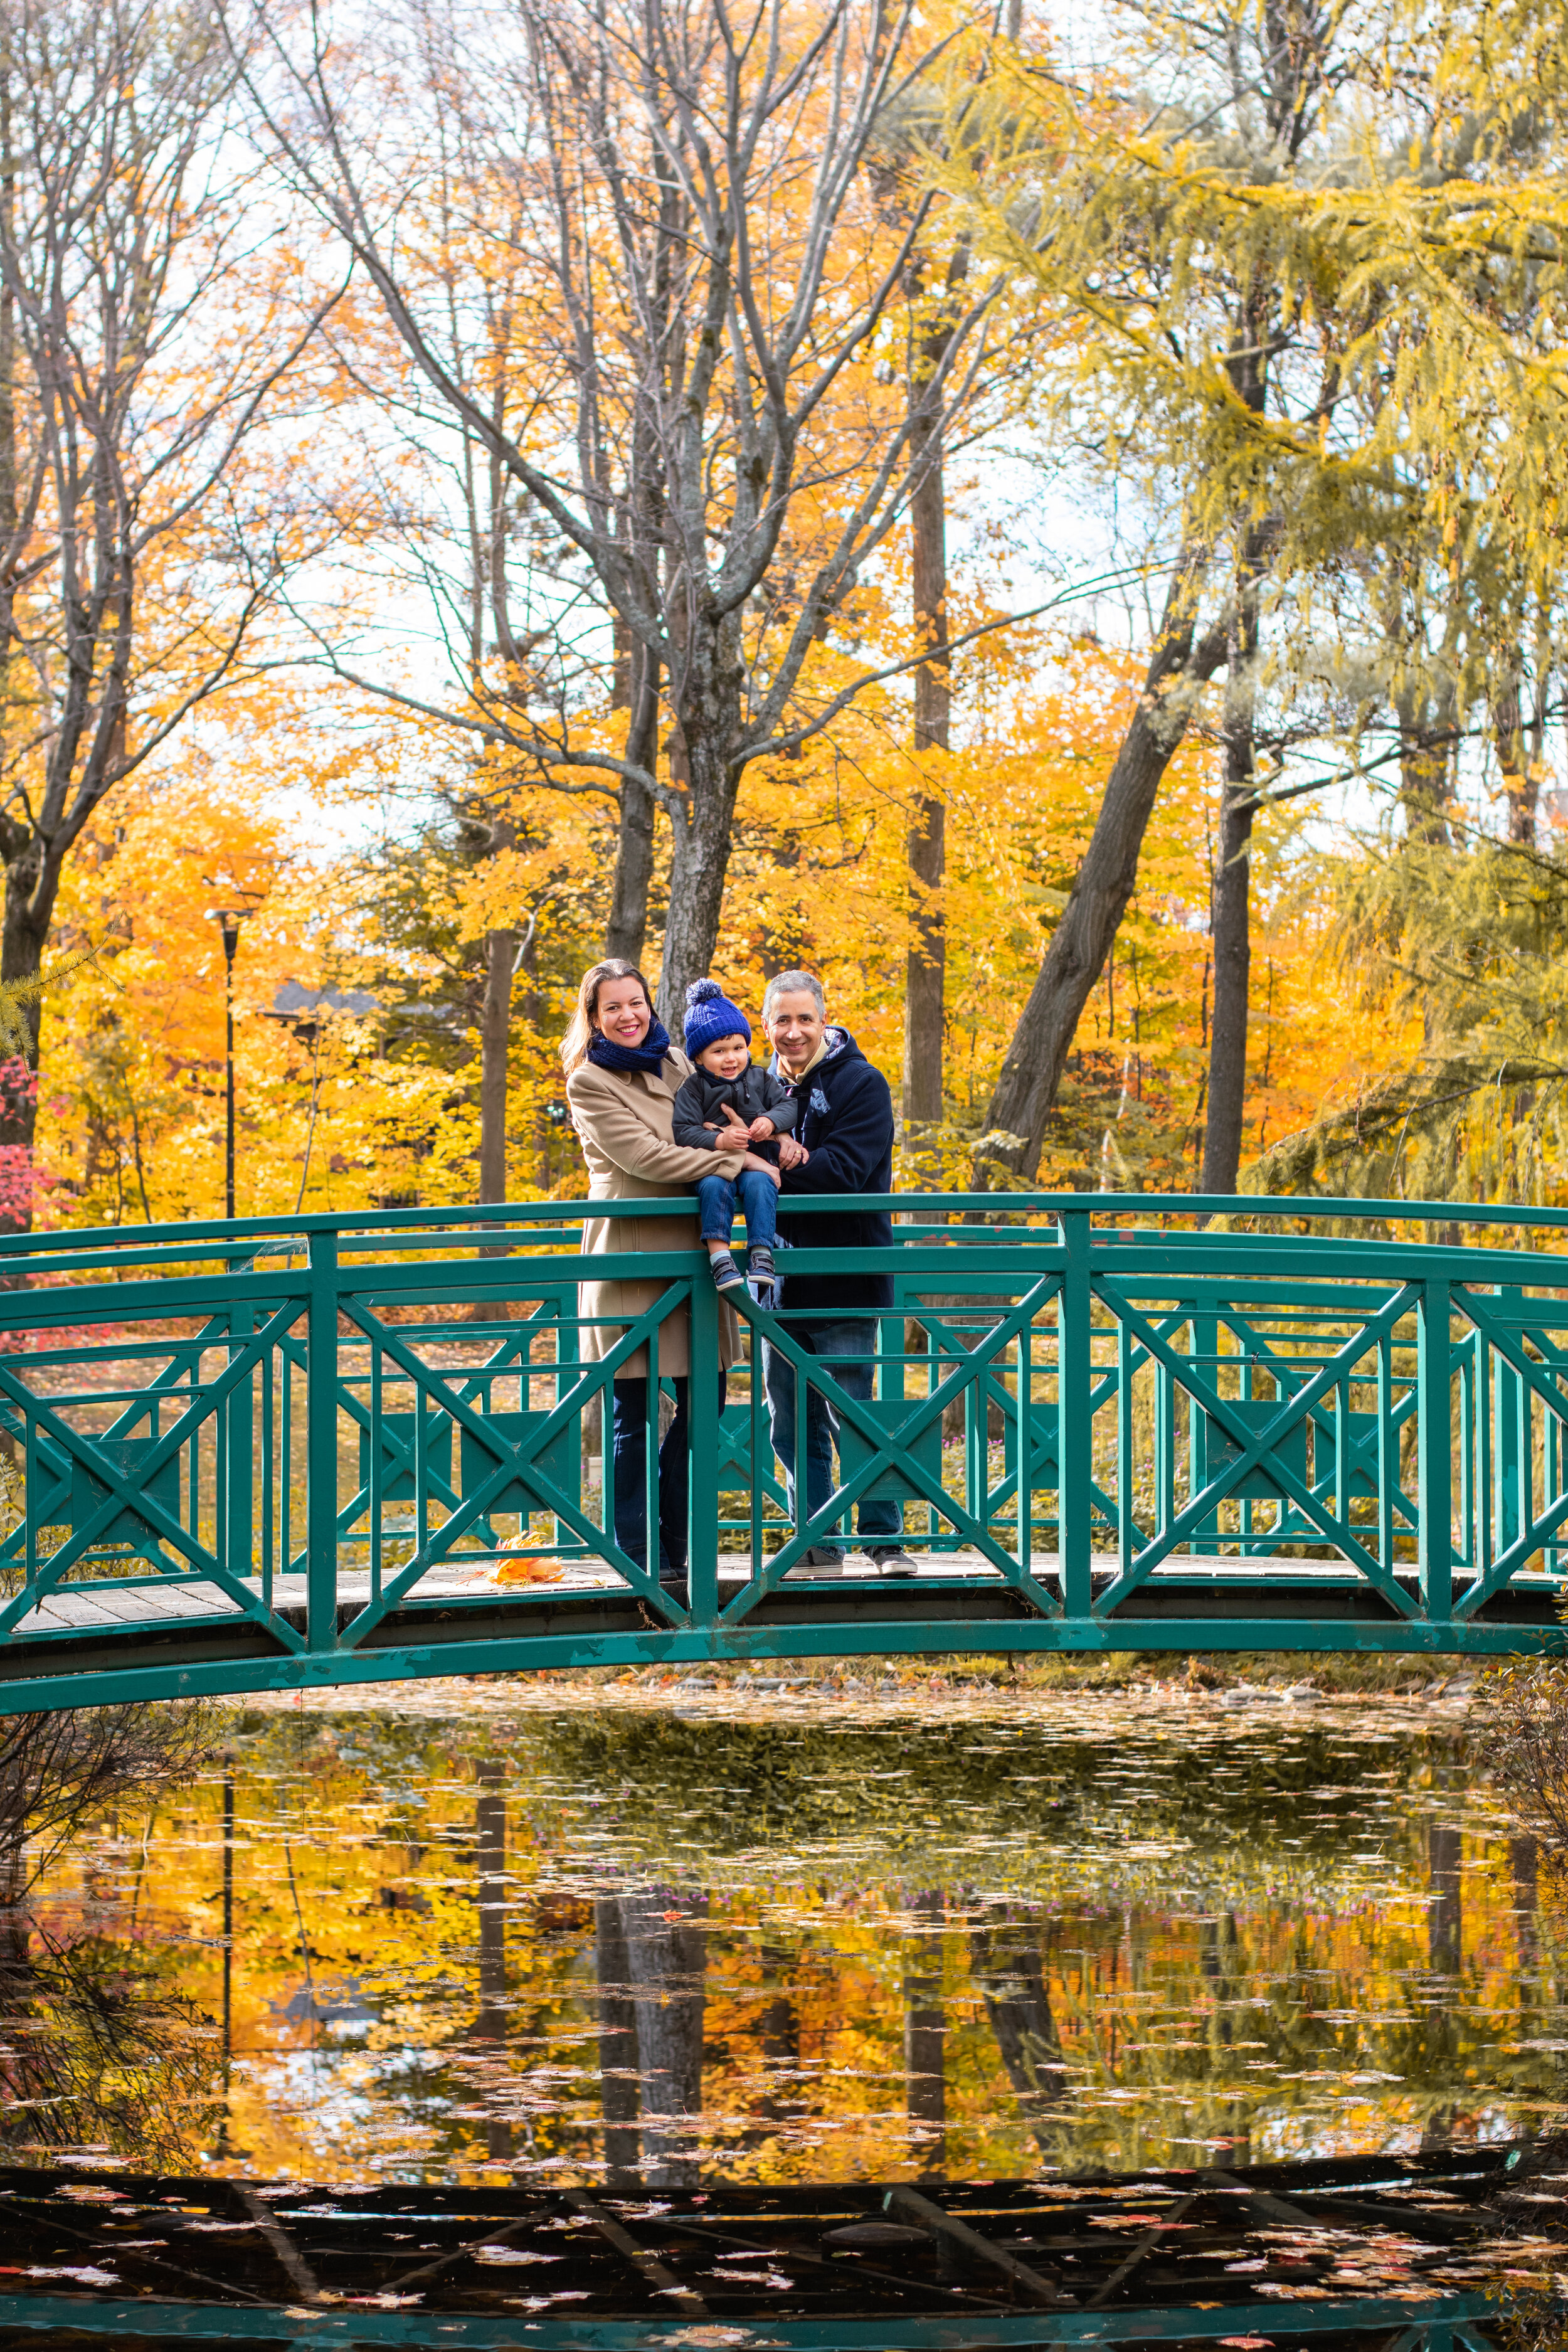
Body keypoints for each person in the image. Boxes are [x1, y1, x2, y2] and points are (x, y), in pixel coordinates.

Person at [562, 957, 780, 1602]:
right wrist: (741, 1162)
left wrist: (762, 1145)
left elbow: (730, 1116)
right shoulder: (590, 1081)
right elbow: (646, 1157)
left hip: (695, 1253)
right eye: (613, 1008)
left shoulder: (681, 1065)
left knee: (704, 1407)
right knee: (633, 1414)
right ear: (594, 1017)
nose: (628, 1016)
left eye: (637, 1003)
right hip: (632, 1256)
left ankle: (679, 1544)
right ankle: (638, 1553)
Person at [761, 968, 920, 1578]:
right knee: (790, 1423)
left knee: (854, 1414)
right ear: (767, 1024)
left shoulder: (861, 1083)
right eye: (782, 1020)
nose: (793, 1032)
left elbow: (845, 1172)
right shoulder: (755, 1086)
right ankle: (818, 1542)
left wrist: (766, 1160)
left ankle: (884, 1542)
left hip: (846, 1275)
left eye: (805, 1018)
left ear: (824, 1019)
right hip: (777, 1281)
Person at [671, 977, 803, 1298]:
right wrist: (719, 1141)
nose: (731, 1059)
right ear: (698, 1059)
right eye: (719, 1051)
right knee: (714, 1188)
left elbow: (790, 1106)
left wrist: (770, 1123)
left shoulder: (760, 1078)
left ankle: (761, 1253)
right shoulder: (693, 1088)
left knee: (762, 1184)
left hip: (756, 1166)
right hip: (714, 1166)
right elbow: (683, 1131)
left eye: (738, 1048)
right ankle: (720, 1257)